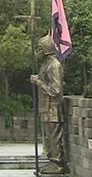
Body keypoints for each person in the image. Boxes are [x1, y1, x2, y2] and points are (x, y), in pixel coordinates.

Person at [30, 34, 68, 174]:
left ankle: (57, 163)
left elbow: (55, 90)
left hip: (53, 107)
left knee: (53, 137)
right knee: (48, 137)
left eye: (40, 48)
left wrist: (38, 82)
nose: (38, 52)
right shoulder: (45, 64)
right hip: (45, 106)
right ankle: (52, 161)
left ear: (46, 49)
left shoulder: (54, 65)